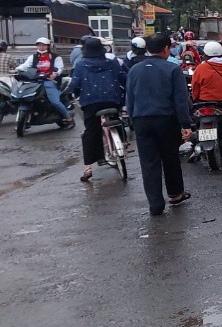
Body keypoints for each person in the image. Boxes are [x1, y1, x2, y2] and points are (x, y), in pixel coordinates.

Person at [126, 34, 193, 216]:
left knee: (149, 163)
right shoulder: (173, 69)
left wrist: (133, 121)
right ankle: (175, 194)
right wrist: (185, 123)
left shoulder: (134, 70)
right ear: (165, 49)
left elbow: (130, 99)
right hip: (166, 120)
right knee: (170, 158)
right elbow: (180, 100)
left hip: (142, 121)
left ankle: (155, 204)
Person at [69, 37, 128, 181]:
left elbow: (75, 84)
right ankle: (122, 142)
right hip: (113, 100)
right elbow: (123, 77)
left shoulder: (81, 65)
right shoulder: (112, 62)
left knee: (91, 131)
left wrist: (72, 93)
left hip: (91, 102)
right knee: (117, 119)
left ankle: (88, 167)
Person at [16, 37, 72, 127]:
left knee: (55, 101)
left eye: (43, 45)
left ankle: (69, 118)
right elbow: (25, 66)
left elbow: (59, 68)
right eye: (39, 45)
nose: (41, 47)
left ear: (48, 46)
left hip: (49, 81)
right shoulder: (33, 57)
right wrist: (16, 69)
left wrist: (55, 74)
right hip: (35, 81)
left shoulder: (55, 57)